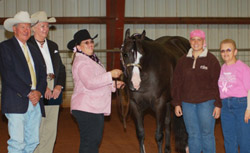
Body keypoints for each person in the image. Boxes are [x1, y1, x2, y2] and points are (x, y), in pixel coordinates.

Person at [67, 29, 124, 153]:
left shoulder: (91, 60)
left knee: (92, 142)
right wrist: (110, 74)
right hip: (87, 108)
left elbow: (97, 82)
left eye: (91, 41)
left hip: (92, 107)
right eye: (86, 42)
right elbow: (90, 83)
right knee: (90, 143)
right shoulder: (82, 61)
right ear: (78, 47)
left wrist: (113, 84)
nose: (90, 44)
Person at [0, 11, 47, 152]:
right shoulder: (5, 47)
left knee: (33, 141)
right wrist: (29, 92)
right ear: (14, 29)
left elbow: (42, 73)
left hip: (35, 101)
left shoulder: (33, 48)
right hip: (16, 100)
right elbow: (8, 74)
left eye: (28, 27)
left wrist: (38, 91)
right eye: (22, 27)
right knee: (17, 142)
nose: (26, 31)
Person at [171, 29, 222, 153]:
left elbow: (218, 83)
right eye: (193, 39)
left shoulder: (211, 60)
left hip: (206, 103)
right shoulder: (183, 61)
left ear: (203, 41)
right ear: (190, 42)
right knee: (193, 134)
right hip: (187, 104)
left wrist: (218, 104)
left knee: (207, 134)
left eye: (199, 39)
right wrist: (177, 103)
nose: (196, 42)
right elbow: (176, 83)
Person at [28, 11, 66, 153]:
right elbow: (29, 69)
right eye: (42, 26)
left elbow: (61, 68)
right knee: (37, 125)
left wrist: (58, 85)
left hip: (53, 86)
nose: (45, 29)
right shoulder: (28, 46)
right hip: (37, 88)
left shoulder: (53, 45)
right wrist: (41, 87)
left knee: (51, 127)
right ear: (33, 28)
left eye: (47, 26)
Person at [218, 39, 250, 153]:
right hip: (225, 106)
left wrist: (248, 109)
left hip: (241, 105)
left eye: (228, 50)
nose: (225, 53)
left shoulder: (243, 68)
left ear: (235, 52)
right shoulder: (222, 68)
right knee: (229, 139)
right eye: (222, 51)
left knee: (244, 139)